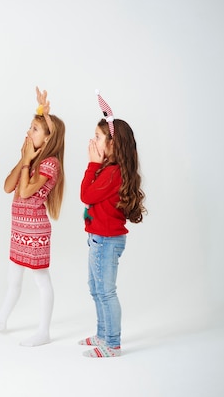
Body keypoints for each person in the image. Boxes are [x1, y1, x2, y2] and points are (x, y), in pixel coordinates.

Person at [0, 87, 65, 347]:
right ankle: (1, 319)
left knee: (41, 280)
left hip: (35, 232)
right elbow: (8, 187)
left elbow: (27, 190)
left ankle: (44, 331)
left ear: (49, 138)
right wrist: (23, 158)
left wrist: (28, 161)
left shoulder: (50, 164)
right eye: (30, 127)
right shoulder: (29, 159)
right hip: (19, 229)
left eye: (36, 129)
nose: (29, 131)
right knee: (13, 279)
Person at [78, 91, 146, 358]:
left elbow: (86, 195)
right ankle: (102, 333)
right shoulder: (107, 169)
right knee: (95, 288)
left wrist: (91, 164)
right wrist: (96, 164)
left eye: (97, 138)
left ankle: (112, 343)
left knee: (106, 291)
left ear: (113, 145)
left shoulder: (111, 173)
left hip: (106, 240)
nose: (92, 142)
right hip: (98, 238)